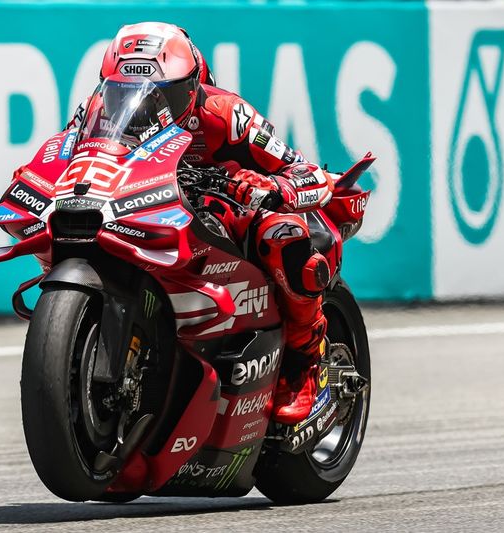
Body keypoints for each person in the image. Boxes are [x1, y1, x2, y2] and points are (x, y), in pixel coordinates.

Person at [69, 22, 336, 425]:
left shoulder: (226, 113)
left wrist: (269, 187)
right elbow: (69, 154)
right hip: (146, 211)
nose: (146, 106)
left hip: (228, 211)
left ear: (193, 87)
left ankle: (304, 366)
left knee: (285, 236)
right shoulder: (96, 111)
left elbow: (306, 172)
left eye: (166, 95)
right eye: (125, 93)